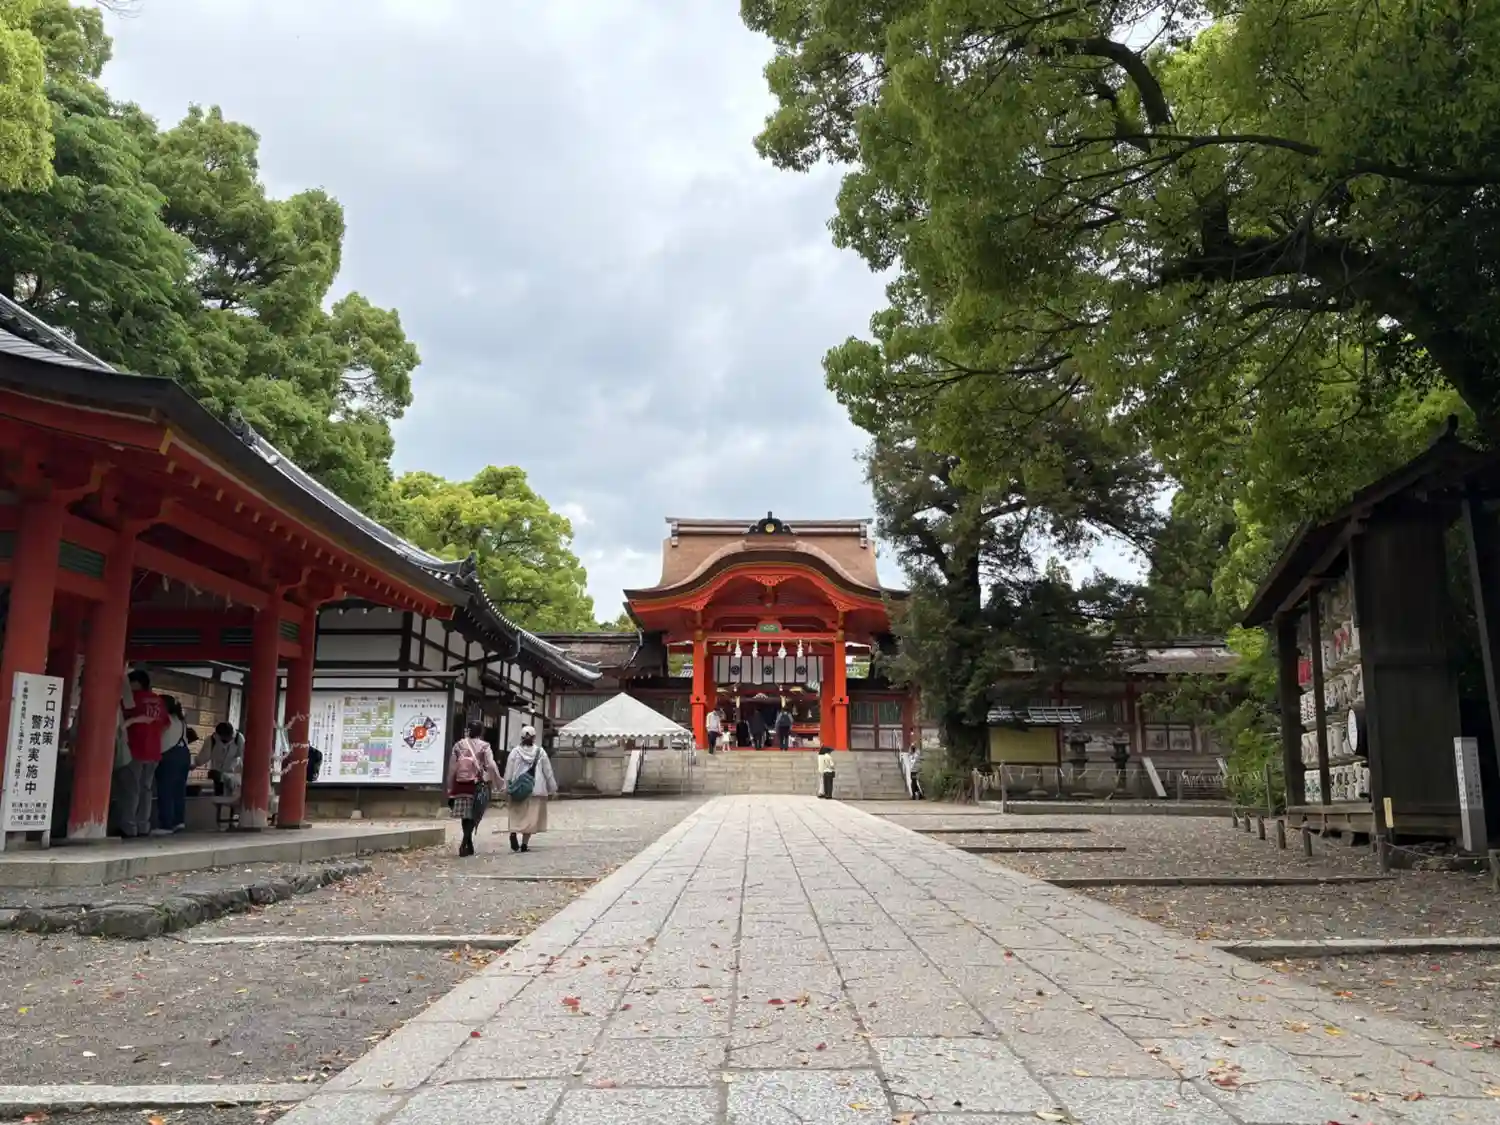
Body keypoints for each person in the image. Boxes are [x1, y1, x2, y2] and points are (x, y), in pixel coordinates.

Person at [117, 669, 168, 838]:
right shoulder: (158, 701)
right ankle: (143, 825)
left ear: (136, 683)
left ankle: (129, 826)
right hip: (154, 752)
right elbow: (165, 725)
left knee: (131, 789)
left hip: (135, 750)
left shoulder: (131, 699)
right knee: (146, 789)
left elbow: (120, 719)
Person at [447, 721, 501, 858]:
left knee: (465, 814)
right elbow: (491, 765)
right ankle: (464, 842)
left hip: (460, 783)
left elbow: (452, 767)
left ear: (468, 730)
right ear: (481, 732)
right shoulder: (484, 746)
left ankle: (468, 842)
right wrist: (497, 781)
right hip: (477, 783)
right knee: (474, 813)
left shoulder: (458, 745)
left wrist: (449, 786)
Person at [504, 725, 557, 853]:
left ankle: (513, 832)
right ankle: (524, 844)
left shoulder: (515, 752)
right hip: (535, 789)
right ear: (534, 738)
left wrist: (506, 787)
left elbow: (508, 772)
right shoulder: (540, 752)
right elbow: (548, 772)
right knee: (531, 818)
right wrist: (553, 788)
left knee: (516, 813)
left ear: (521, 737)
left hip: (518, 788)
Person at [153, 696, 192, 835]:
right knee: (179, 791)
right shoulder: (181, 720)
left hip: (169, 755)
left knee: (166, 790)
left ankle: (166, 824)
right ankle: (178, 821)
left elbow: (159, 735)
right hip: (184, 754)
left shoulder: (165, 718)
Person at [196, 722, 245, 796]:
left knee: (232, 796)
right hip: (217, 774)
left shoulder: (239, 739)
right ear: (219, 735)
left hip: (233, 775)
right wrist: (194, 763)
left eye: (229, 736)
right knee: (218, 795)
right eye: (225, 737)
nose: (228, 739)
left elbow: (244, 756)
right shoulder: (211, 740)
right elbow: (202, 758)